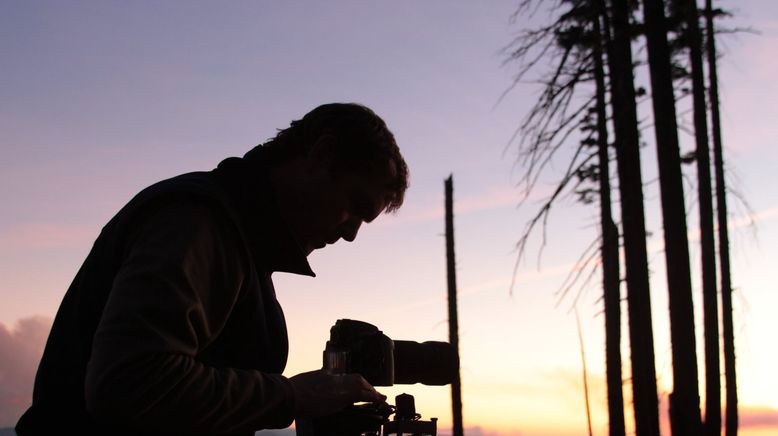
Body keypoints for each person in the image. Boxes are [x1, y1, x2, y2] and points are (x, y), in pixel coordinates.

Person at [15, 103, 409, 435]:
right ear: (321, 157)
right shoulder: (197, 223)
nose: (351, 233)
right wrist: (294, 396)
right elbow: (129, 384)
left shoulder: (237, 238)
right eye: (355, 205)